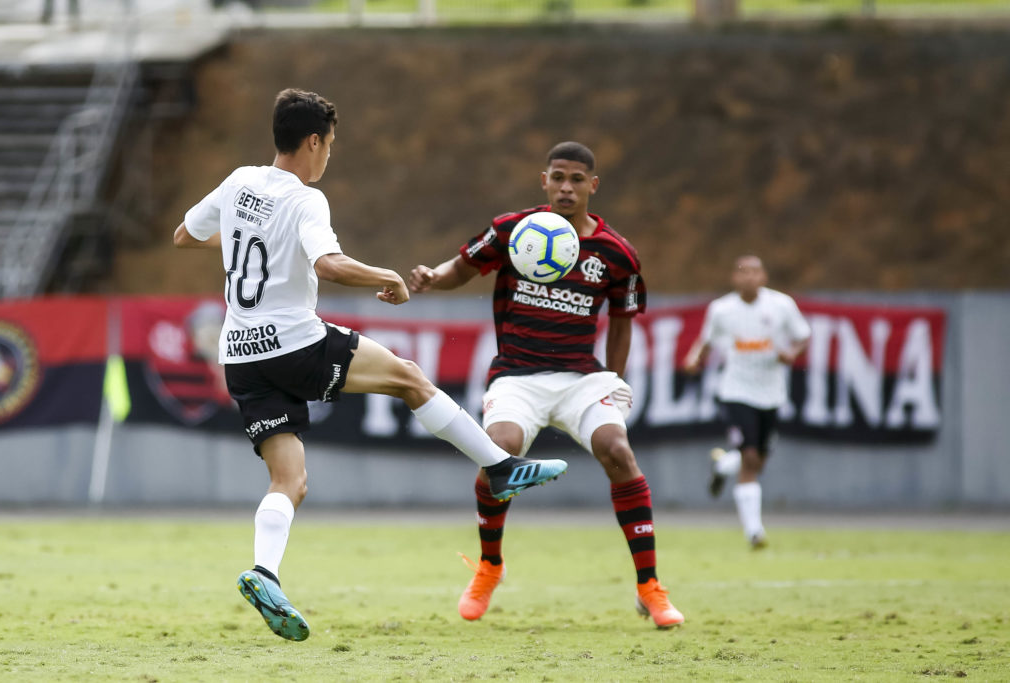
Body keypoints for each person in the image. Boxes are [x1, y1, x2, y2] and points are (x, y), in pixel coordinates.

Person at [172, 88, 568, 642]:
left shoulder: (240, 181)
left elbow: (184, 235)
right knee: (408, 378)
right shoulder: (307, 200)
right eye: (330, 144)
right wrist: (388, 275)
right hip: (293, 342)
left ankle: (264, 572)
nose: (329, 155)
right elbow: (330, 263)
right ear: (313, 141)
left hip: (240, 353)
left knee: (290, 480)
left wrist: (250, 238)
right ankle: (499, 468)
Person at [409, 141, 684, 629]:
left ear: (592, 186)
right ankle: (490, 566)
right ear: (544, 180)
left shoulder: (617, 254)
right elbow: (461, 269)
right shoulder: (514, 230)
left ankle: (650, 587)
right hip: (517, 375)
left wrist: (615, 381)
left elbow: (622, 322)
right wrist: (433, 276)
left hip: (581, 377)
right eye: (558, 177)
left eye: (577, 179)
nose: (566, 187)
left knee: (617, 450)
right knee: (499, 449)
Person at [683, 255, 810, 549]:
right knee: (751, 459)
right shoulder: (722, 309)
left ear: (763, 277)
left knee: (758, 461)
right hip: (736, 392)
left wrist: (792, 352)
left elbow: (803, 336)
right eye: (744, 272)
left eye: (755, 272)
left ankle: (723, 465)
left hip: (771, 393)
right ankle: (755, 532)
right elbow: (706, 340)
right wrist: (693, 358)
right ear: (735, 278)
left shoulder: (781, 305)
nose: (750, 277)